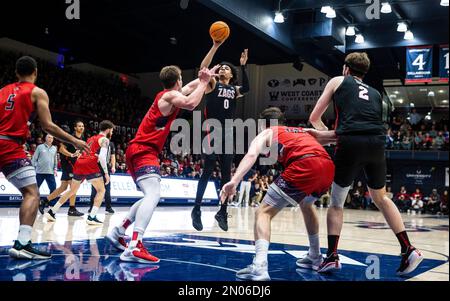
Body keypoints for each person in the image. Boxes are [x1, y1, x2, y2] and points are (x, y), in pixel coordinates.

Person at [309, 52, 423, 276]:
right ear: (364, 72)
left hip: (350, 144)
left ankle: (331, 256)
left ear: (346, 69)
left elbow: (314, 117)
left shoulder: (337, 80)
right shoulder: (375, 93)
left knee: (336, 202)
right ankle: (408, 249)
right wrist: (338, 135)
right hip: (377, 144)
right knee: (381, 197)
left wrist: (328, 135)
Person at [106, 65, 219, 263]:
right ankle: (134, 245)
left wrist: (204, 76)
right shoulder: (168, 97)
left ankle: (119, 231)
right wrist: (203, 81)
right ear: (177, 81)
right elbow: (192, 103)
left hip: (140, 149)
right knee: (154, 194)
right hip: (144, 149)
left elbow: (192, 87)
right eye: (181, 79)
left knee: (149, 195)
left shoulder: (171, 95)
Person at [221, 107, 336, 281]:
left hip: (304, 164)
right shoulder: (300, 130)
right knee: (306, 204)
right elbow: (334, 138)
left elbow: (252, 153)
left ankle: (259, 266)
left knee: (263, 212)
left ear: (263, 124)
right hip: (327, 166)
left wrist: (234, 180)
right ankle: (315, 255)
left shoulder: (268, 131)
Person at [0, 56, 88, 259]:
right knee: (31, 193)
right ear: (36, 72)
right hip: (10, 145)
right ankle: (22, 243)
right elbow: (47, 126)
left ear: (16, 73)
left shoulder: (2, 91)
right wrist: (74, 141)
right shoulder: (37, 92)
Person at [191, 38, 250, 232]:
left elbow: (247, 89)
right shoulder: (213, 84)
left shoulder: (234, 89)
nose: (223, 69)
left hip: (228, 135)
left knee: (227, 175)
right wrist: (215, 47)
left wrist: (243, 67)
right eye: (222, 67)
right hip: (212, 131)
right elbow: (203, 67)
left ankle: (222, 211)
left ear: (232, 74)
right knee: (208, 170)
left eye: (226, 68)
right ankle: (197, 209)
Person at [44, 120, 115, 225]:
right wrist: (106, 173)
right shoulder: (105, 140)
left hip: (79, 163)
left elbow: (85, 151)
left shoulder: (91, 138)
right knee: (101, 190)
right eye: (112, 131)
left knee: (72, 191)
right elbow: (102, 157)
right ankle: (92, 217)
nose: (112, 133)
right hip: (90, 165)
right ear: (108, 130)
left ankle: (52, 212)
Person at [39, 120, 85, 216]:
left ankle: (44, 201)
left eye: (82, 126)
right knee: (74, 187)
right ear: (75, 128)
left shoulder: (82, 138)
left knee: (63, 188)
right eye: (79, 126)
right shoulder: (71, 138)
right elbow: (61, 149)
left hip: (73, 165)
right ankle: (71, 209)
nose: (81, 127)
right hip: (67, 164)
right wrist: (71, 155)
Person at [89, 140, 116, 214]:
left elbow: (113, 156)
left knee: (107, 188)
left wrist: (113, 166)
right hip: (96, 167)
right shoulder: (97, 142)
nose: (112, 132)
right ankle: (91, 207)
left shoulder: (111, 143)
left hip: (106, 166)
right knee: (94, 188)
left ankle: (108, 207)